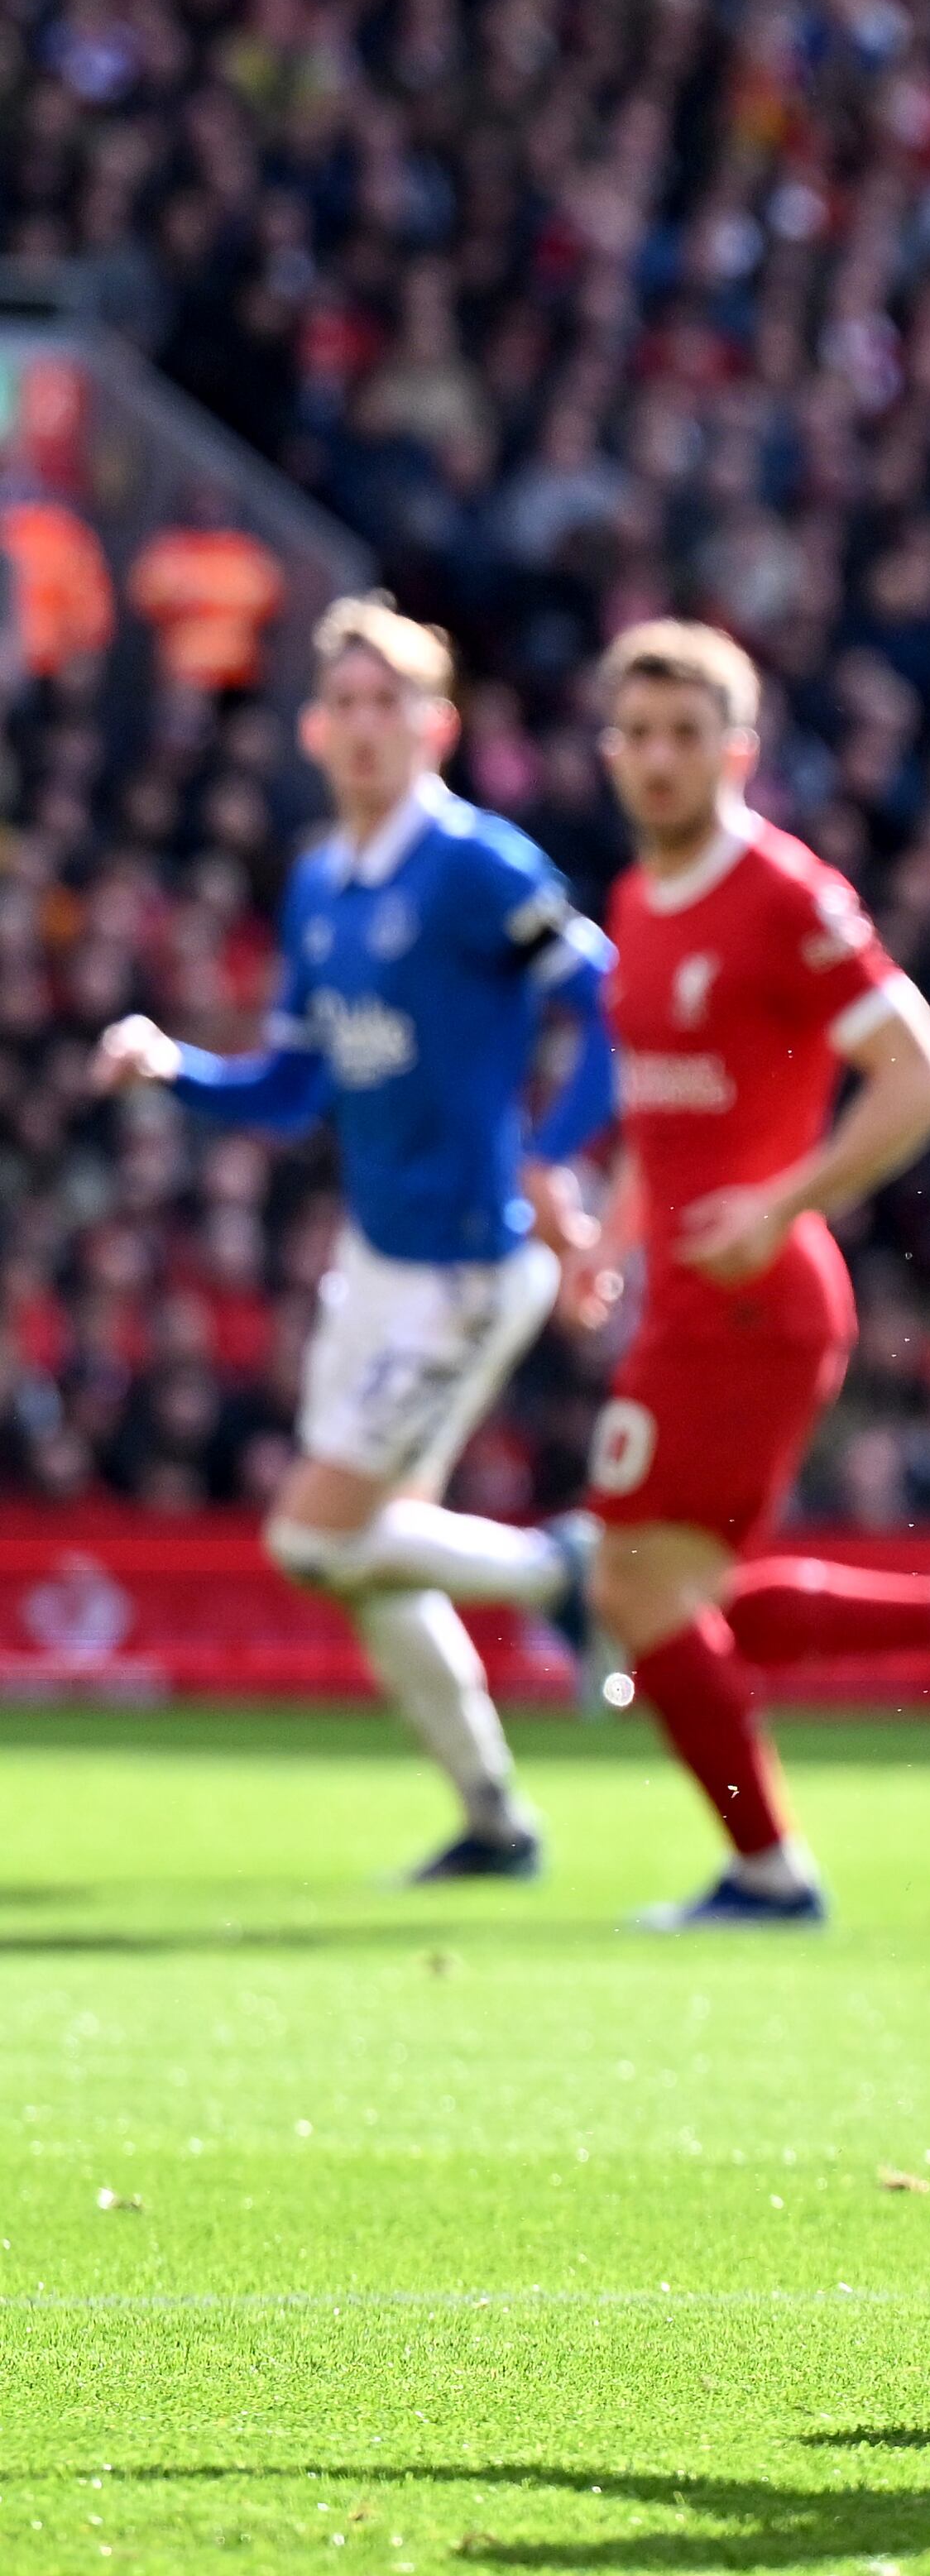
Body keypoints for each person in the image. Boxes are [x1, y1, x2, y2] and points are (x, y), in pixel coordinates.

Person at [574, 620, 930, 1931]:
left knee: (635, 1589)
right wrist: (611, 1238)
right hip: (696, 1296)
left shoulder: (786, 894)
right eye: (636, 735)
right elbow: (666, 1119)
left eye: (685, 736)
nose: (656, 760)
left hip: (758, 1301)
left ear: (736, 753)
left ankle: (771, 1872)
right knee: (673, 1603)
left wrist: (782, 1199)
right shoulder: (639, 901)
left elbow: (925, 1070)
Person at [91, 596, 612, 1882]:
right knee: (368, 1558)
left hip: (470, 1269)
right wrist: (174, 1067)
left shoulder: (480, 865)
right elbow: (294, 1086)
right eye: (349, 704)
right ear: (316, 731)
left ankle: (567, 1575)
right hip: (373, 1272)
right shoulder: (322, 883)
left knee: (315, 1539)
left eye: (395, 702)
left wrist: (552, 1157)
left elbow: (609, 1003)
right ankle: (496, 1823)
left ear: (435, 726)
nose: (369, 726)